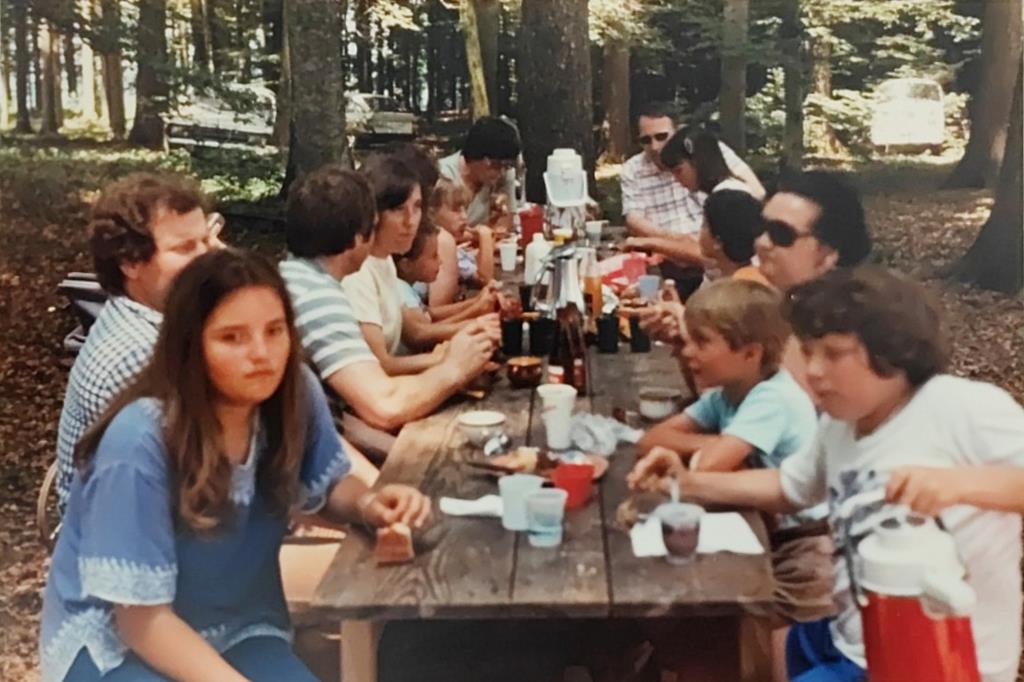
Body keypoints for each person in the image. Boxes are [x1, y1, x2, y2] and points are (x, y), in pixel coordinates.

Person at [40, 249, 432, 682]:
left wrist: (370, 504)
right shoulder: (139, 441)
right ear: (190, 346)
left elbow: (327, 482)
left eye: (274, 331)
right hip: (119, 648)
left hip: (241, 627)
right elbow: (141, 623)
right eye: (232, 337)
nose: (261, 353)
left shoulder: (292, 394)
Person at [631, 266, 1024, 682]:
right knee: (738, 653)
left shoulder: (960, 407)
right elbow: (789, 486)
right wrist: (686, 482)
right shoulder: (840, 423)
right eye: (808, 351)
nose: (814, 370)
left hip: (943, 663)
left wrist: (962, 484)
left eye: (833, 354)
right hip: (849, 636)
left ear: (893, 353)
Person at [279, 164, 497, 439]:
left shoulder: (301, 277)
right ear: (360, 235)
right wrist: (453, 367)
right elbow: (384, 406)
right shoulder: (317, 295)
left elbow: (335, 419)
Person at [53, 173, 221, 512]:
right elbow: (200, 487)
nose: (208, 258)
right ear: (130, 262)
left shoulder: (155, 318)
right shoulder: (141, 354)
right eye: (185, 248)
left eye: (207, 241)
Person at [342, 154, 447, 375]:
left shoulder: (386, 260)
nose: (411, 222)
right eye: (398, 209)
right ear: (373, 213)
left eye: (417, 207)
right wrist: (444, 360)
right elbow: (379, 365)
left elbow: (414, 330)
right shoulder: (357, 272)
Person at [394, 220, 498, 351]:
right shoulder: (401, 290)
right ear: (406, 265)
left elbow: (430, 314)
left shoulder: (409, 289)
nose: (441, 261)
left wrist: (477, 301)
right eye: (433, 256)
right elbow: (423, 334)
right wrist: (475, 315)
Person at [437, 116, 520, 233]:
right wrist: (480, 236)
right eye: (495, 165)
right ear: (477, 156)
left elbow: (504, 226)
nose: (501, 172)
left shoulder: (505, 174)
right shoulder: (444, 176)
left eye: (506, 166)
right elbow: (440, 231)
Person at [428, 177, 495, 306]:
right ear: (432, 213)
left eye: (465, 209)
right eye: (456, 210)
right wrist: (485, 236)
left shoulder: (458, 250)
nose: (465, 217)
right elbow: (486, 279)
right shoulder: (442, 243)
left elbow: (480, 277)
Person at [700, 189, 770, 284]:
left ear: (718, 242)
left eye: (704, 225)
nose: (700, 231)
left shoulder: (735, 290)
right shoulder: (718, 276)